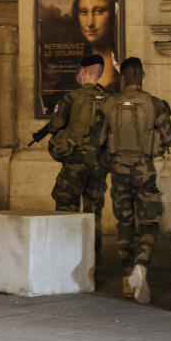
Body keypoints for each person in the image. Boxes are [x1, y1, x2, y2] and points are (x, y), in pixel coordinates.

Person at [94, 57, 171, 304]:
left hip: (118, 170)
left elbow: (97, 140)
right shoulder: (154, 104)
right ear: (141, 75)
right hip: (144, 170)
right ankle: (141, 265)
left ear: (123, 77)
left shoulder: (109, 104)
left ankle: (125, 278)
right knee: (149, 222)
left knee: (124, 224)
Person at [46, 55, 110, 263]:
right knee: (94, 213)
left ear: (83, 71)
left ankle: (65, 258)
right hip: (99, 164)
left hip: (75, 163)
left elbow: (55, 125)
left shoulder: (71, 98)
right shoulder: (109, 100)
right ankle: (93, 261)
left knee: (66, 207)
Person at [71, 0, 122, 92]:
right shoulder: (71, 76)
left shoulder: (125, 75)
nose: (90, 23)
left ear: (115, 14)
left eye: (99, 11)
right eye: (83, 12)